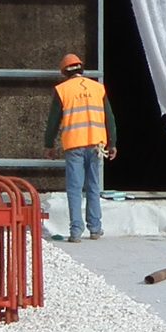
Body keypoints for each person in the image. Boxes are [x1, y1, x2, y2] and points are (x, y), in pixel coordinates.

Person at [44, 53, 117, 243]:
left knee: (75, 189)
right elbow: (109, 118)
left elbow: (53, 121)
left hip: (74, 145)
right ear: (81, 69)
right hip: (96, 145)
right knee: (93, 186)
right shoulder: (97, 88)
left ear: (64, 72)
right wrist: (113, 143)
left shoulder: (62, 90)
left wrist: (49, 144)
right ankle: (95, 228)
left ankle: (76, 231)